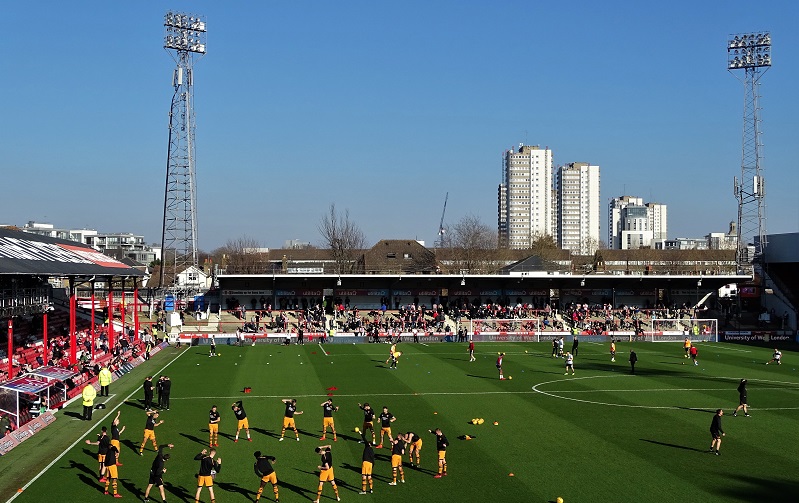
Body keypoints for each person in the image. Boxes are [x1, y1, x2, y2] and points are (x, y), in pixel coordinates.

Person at [358, 429, 375, 494]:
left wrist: (360, 433)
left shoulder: (367, 446)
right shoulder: (372, 451)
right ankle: (371, 489)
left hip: (365, 463)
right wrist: (372, 465)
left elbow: (364, 439)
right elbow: (373, 459)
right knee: (369, 477)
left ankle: (364, 490)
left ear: (369, 444)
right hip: (370, 464)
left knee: (364, 477)